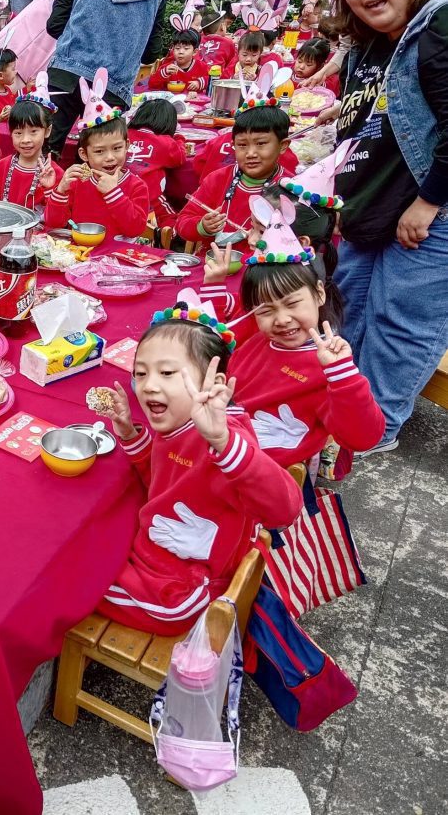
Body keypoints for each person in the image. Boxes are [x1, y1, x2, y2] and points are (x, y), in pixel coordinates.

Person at [92, 291, 302, 634]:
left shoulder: (225, 439)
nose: (148, 386)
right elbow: (163, 476)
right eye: (141, 373)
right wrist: (131, 434)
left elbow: (285, 510)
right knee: (91, 548)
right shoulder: (178, 421)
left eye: (168, 372)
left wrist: (223, 441)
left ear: (214, 382)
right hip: (157, 552)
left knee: (77, 585)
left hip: (183, 589)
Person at [328, 0, 448, 453]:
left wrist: (429, 201)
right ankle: (343, 413)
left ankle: (373, 430)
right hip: (370, 208)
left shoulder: (436, 26)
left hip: (427, 211)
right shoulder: (373, 43)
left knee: (401, 323)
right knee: (349, 307)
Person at [197, 195, 385, 470]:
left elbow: (364, 437)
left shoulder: (328, 368)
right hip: (224, 440)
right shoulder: (259, 341)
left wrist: (344, 376)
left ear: (319, 293)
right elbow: (220, 337)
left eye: (292, 303)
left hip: (263, 471)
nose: (282, 320)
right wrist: (214, 285)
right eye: (265, 310)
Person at [44, 0, 166, 154]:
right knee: (98, 166)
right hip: (113, 88)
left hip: (65, 75)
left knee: (43, 153)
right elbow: (151, 54)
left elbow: (54, 25)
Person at [177, 65, 293, 251]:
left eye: (261, 143)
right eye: (242, 145)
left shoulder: (290, 189)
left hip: (264, 274)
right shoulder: (218, 179)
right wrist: (202, 227)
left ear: (282, 146)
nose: (251, 153)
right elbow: (182, 223)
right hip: (213, 267)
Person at [44, 68, 149, 236]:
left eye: (117, 148)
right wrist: (61, 189)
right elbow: (54, 223)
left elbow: (134, 229)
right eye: (99, 151)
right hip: (79, 254)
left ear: (127, 145)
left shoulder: (136, 186)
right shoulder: (77, 182)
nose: (110, 157)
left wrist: (113, 193)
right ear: (84, 154)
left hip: (117, 257)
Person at [0, 95, 60, 210]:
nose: (25, 140)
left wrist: (49, 189)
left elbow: (57, 220)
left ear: (47, 131)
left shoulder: (55, 173)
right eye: (18, 133)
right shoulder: (1, 167)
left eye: (33, 131)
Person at [126, 98, 184, 229]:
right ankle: (166, 240)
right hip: (149, 197)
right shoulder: (166, 142)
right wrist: (178, 137)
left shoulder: (123, 133)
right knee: (172, 218)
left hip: (117, 188)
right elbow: (180, 157)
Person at [148, 28, 208, 92]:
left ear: (195, 52)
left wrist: (200, 83)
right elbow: (152, 85)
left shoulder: (202, 67)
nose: (181, 52)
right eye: (177, 48)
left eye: (186, 48)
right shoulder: (167, 68)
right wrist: (163, 73)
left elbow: (213, 80)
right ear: (173, 49)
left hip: (195, 100)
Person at [197, 3, 236, 72]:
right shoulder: (228, 42)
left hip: (199, 75)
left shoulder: (199, 39)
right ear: (221, 27)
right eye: (225, 24)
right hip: (218, 78)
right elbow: (232, 61)